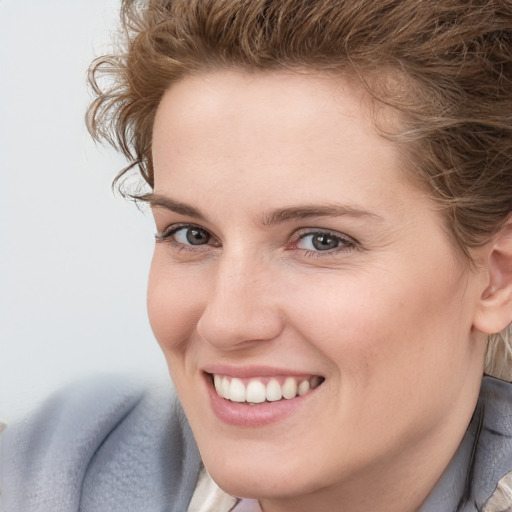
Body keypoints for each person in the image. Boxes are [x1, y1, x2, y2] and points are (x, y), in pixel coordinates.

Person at [2, 0, 512, 511]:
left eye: (321, 240)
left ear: (496, 277)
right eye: (192, 235)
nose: (226, 323)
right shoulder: (53, 472)